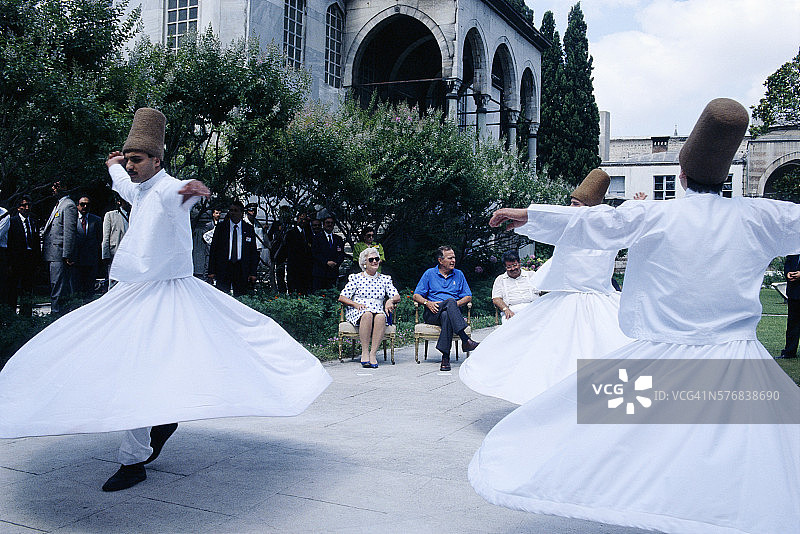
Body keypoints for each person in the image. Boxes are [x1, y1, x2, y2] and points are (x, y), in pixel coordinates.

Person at [470, 99, 800, 534]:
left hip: (657, 360)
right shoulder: (761, 217)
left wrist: (528, 216)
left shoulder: (655, 214)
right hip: (739, 365)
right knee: (746, 457)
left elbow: (593, 225)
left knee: (589, 427)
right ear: (725, 178)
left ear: (680, 175)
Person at [0, 108, 331, 493]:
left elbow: (186, 193)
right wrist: (113, 166)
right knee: (125, 365)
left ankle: (134, 459)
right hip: (136, 294)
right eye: (128, 161)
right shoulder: (139, 187)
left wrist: (194, 189)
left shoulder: (170, 189)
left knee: (148, 368)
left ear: (157, 160)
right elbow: (125, 186)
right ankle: (158, 422)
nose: (131, 167)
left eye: (136, 160)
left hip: (169, 293)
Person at [460, 169, 633, 404]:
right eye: (570, 204)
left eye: (576, 204)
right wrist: (527, 219)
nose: (571, 209)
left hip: (595, 300)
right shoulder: (572, 224)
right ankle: (559, 405)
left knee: (591, 353)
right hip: (567, 299)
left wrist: (526, 215)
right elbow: (556, 220)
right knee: (553, 357)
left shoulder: (602, 221)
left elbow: (575, 218)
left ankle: (591, 404)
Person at [412, 246, 479, 371]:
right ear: (440, 260)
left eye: (454, 257)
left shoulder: (459, 274)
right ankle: (466, 340)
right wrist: (427, 303)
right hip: (432, 312)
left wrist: (452, 305)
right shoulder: (429, 273)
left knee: (446, 314)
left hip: (448, 313)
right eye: (450, 258)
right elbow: (416, 295)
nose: (453, 260)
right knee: (449, 304)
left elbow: (468, 296)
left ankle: (445, 358)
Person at [338, 247, 400, 368]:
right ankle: (365, 352)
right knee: (367, 314)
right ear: (364, 264)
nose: (374, 261)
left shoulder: (385, 279)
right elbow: (342, 297)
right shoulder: (356, 278)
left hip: (377, 308)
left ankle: (373, 354)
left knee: (381, 317)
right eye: (371, 260)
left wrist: (390, 300)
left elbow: (397, 295)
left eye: (376, 259)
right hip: (359, 309)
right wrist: (355, 304)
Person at [208, 200, 259, 296]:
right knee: (222, 296)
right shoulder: (221, 228)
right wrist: (211, 271)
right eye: (231, 210)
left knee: (241, 297)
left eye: (236, 210)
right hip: (224, 267)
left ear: (241, 213)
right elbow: (214, 249)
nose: (233, 213)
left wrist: (253, 272)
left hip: (241, 268)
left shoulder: (248, 229)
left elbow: (253, 252)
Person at [41, 180, 77, 315]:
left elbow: (69, 232)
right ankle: (56, 312)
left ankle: (57, 314)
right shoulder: (58, 205)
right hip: (52, 253)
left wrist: (67, 254)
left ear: (64, 187)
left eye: (56, 186)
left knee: (58, 286)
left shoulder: (68, 206)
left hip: (60, 254)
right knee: (55, 284)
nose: (53, 188)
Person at [6, 196, 41, 316]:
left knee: (28, 289)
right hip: (17, 260)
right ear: (18, 207)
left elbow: (37, 243)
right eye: (24, 205)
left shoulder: (34, 222)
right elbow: (9, 244)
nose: (27, 208)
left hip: (30, 260)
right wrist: (9, 263)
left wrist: (37, 262)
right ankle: (11, 316)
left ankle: (26, 315)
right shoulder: (12, 222)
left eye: (29, 205)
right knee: (13, 289)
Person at [490, 250, 541, 322]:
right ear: (505, 266)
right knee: (507, 322)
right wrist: (506, 309)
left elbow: (544, 291)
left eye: (515, 265)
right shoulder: (500, 279)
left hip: (534, 309)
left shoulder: (531, 275)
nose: (513, 269)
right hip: (512, 311)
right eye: (509, 266)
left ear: (519, 262)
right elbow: (496, 299)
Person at [73, 196, 102, 297]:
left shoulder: (96, 220)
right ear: (77, 206)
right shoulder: (72, 219)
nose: (85, 206)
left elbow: (99, 239)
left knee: (89, 290)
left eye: (87, 205)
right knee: (76, 289)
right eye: (82, 204)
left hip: (91, 260)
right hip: (76, 261)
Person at [101, 195, 130, 287]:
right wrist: (105, 255)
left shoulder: (135, 214)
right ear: (119, 201)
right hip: (115, 252)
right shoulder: (110, 215)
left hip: (130, 253)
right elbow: (106, 237)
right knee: (114, 281)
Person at [312, 216, 345, 291]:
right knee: (319, 296)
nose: (329, 224)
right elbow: (315, 254)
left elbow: (341, 254)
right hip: (320, 273)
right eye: (327, 223)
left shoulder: (338, 239)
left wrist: (336, 263)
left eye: (331, 223)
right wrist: (326, 262)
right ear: (323, 225)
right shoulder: (316, 238)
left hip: (333, 273)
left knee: (331, 295)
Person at [284, 211, 313, 294]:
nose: (303, 221)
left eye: (305, 219)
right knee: (293, 289)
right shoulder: (291, 233)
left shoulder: (308, 233)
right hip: (294, 266)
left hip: (305, 267)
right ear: (297, 219)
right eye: (301, 219)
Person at [779, 254, 800, 359]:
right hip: (794, 293)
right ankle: (789, 352)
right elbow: (787, 264)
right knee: (792, 325)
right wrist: (788, 273)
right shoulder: (793, 250)